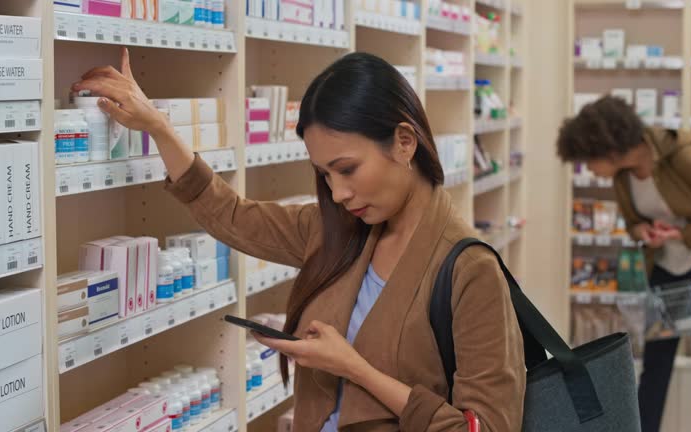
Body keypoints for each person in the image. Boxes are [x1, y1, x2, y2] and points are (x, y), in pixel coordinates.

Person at [73, 48, 525, 431]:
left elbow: (486, 425)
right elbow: (233, 215)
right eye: (325, 174)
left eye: (347, 169)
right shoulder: (337, 232)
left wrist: (354, 368)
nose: (338, 193)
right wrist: (158, 127)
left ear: (404, 142)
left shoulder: (470, 269)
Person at [556, 95, 691, 432]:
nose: (588, 169)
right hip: (666, 273)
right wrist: (643, 230)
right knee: (655, 366)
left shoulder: (683, 157)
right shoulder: (622, 177)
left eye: (588, 160)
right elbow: (633, 221)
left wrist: (680, 235)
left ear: (609, 149)